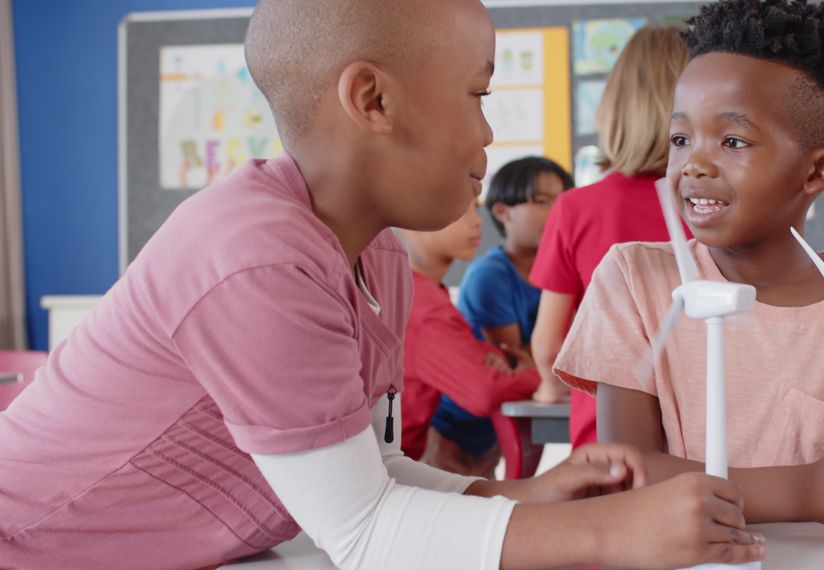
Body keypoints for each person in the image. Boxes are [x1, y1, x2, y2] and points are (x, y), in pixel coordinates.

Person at [0, 1, 767, 568]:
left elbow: (369, 474)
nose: (490, 134)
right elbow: (364, 534)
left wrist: (520, 496)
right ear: (372, 100)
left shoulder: (379, 257)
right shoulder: (255, 257)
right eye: (479, 95)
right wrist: (617, 535)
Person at [554, 0, 824, 527]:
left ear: (818, 171)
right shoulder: (635, 279)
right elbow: (622, 479)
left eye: (733, 141)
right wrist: (805, 492)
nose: (693, 163)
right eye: (680, 139)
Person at [530, 23, 690, 450]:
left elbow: (548, 346)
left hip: (606, 440)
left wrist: (550, 388)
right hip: (706, 437)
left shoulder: (575, 209)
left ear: (615, 105)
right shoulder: (719, 208)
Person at [431, 157, 574, 474]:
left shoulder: (562, 271)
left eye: (563, 200)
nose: (557, 211)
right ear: (501, 211)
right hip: (452, 428)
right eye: (541, 201)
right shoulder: (490, 275)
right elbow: (520, 358)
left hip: (500, 426)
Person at [399, 200, 540, 477]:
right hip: (400, 465)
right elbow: (483, 391)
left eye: (476, 209)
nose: (477, 221)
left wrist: (501, 364)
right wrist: (536, 377)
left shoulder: (422, 291)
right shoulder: (425, 306)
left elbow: (478, 358)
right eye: (462, 209)